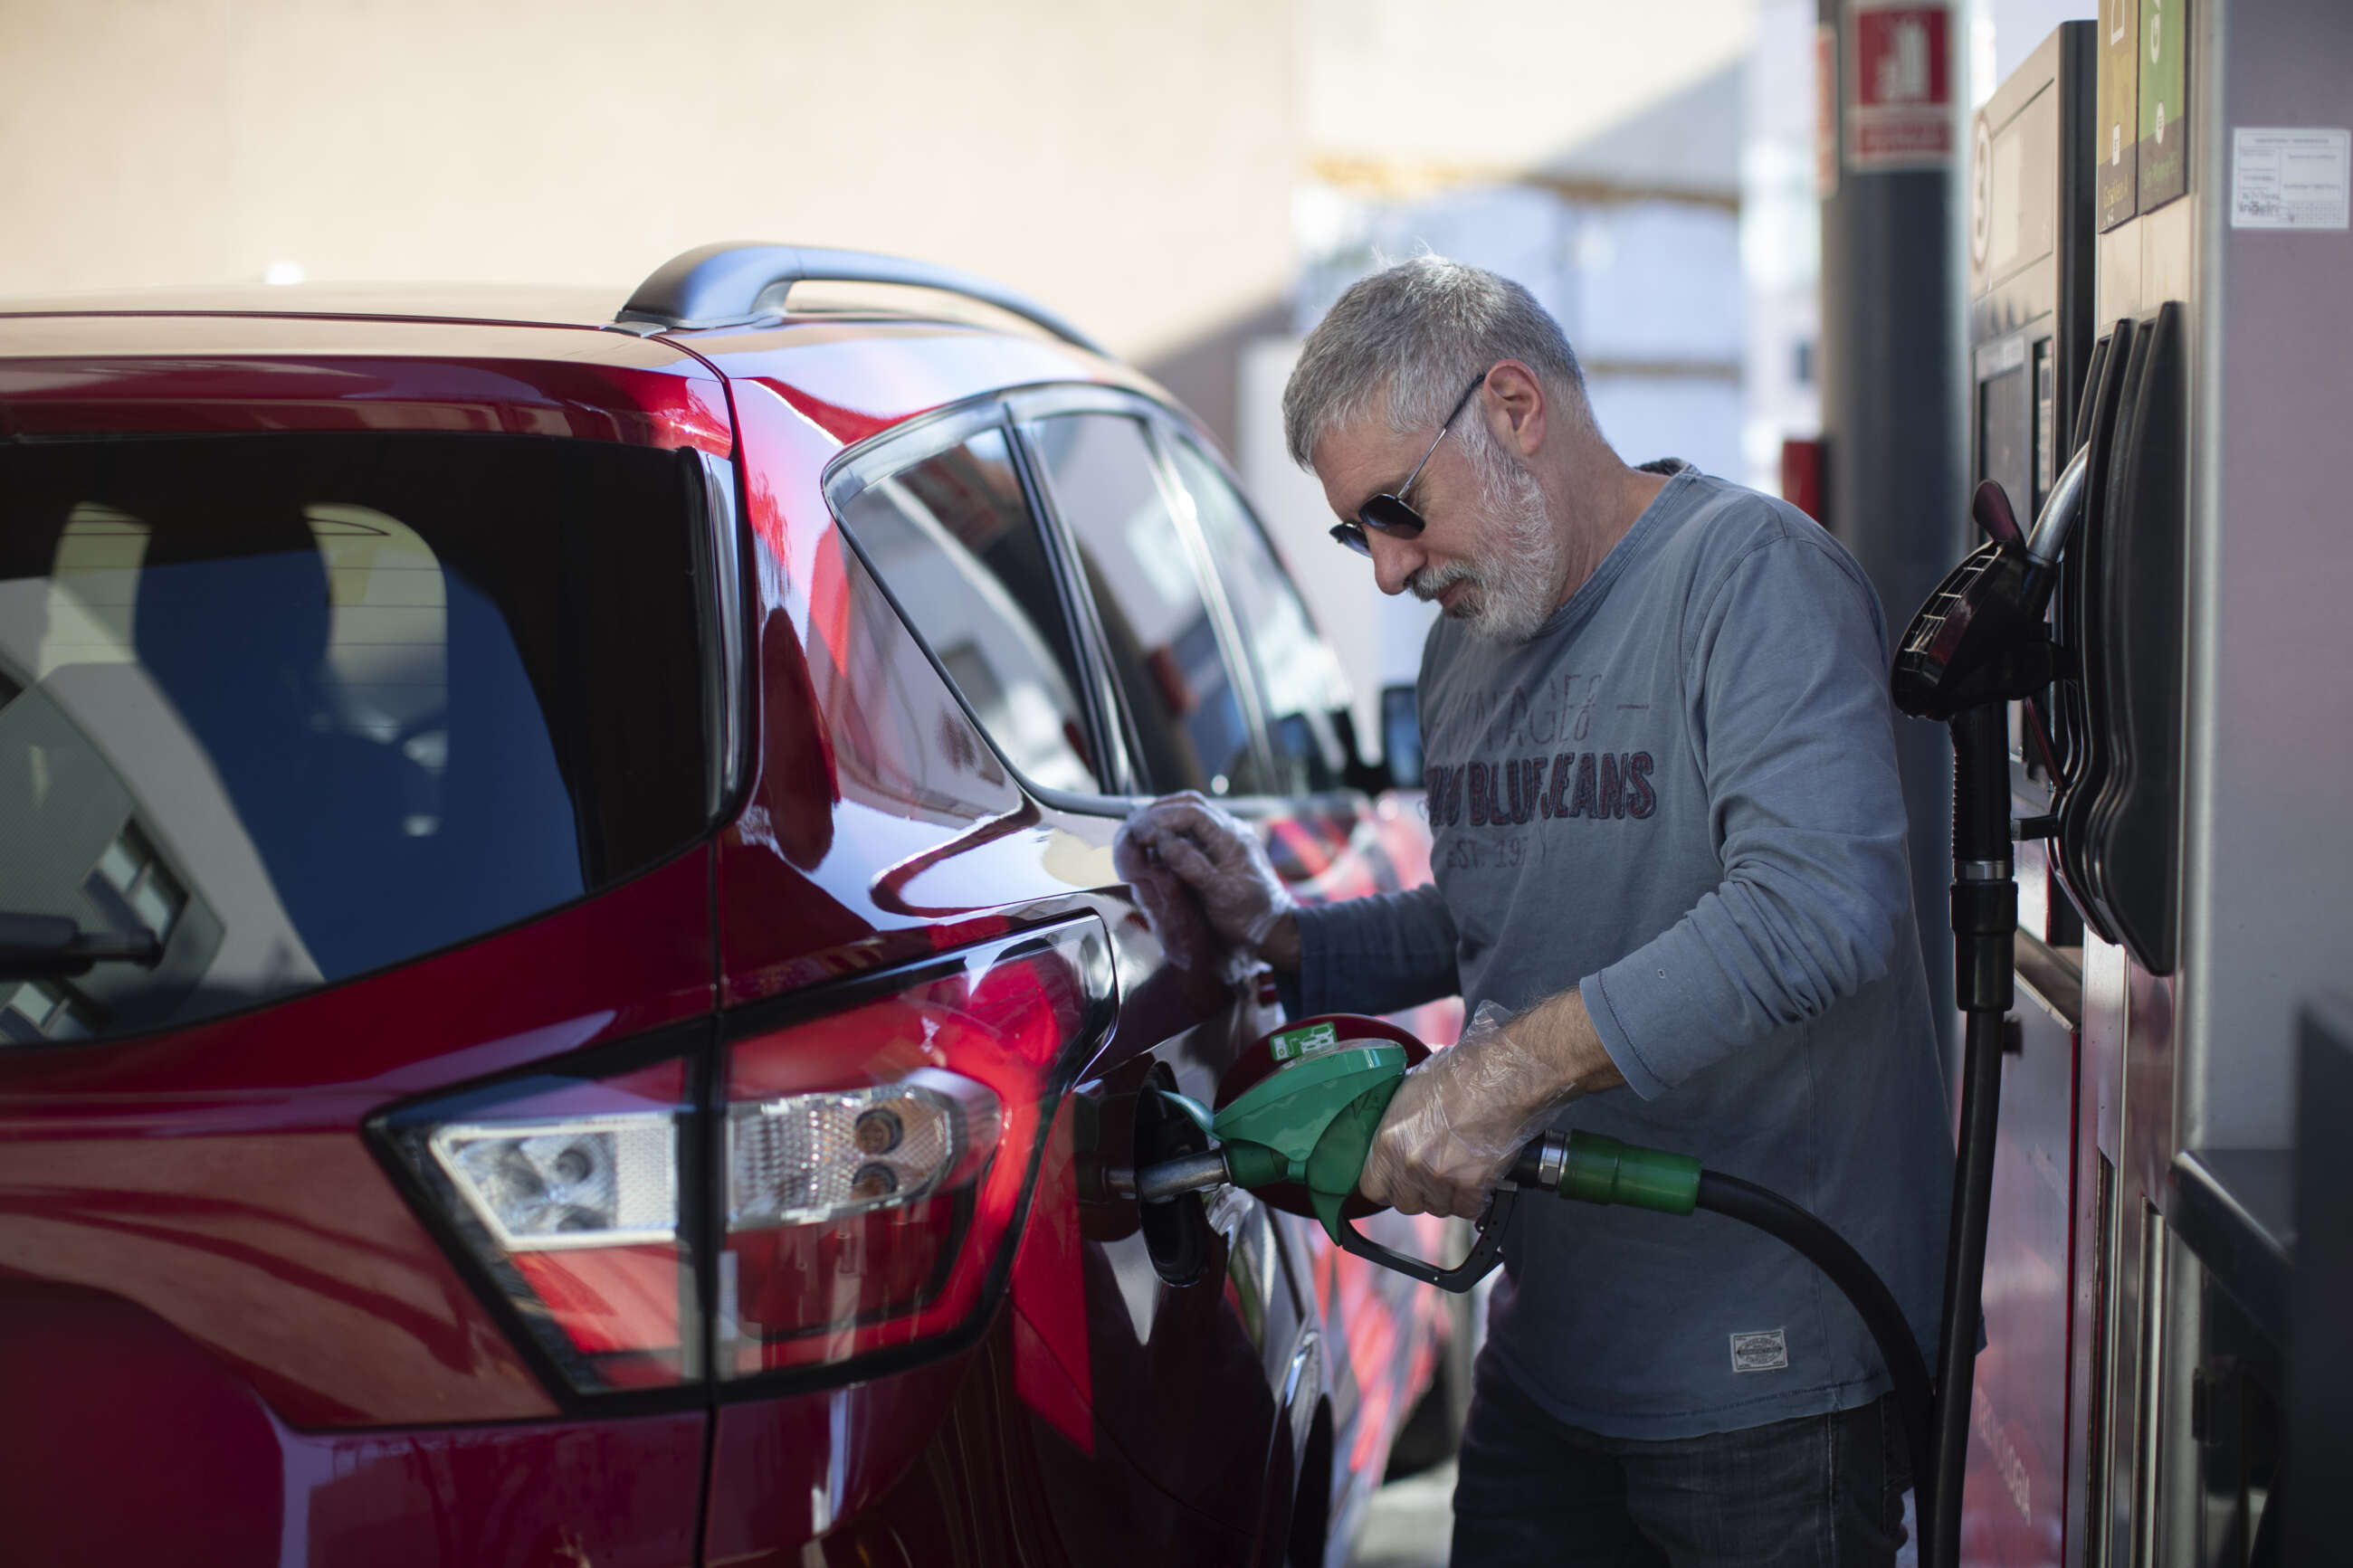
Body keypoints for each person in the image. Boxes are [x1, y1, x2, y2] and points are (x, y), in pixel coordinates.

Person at [1119, 257, 1951, 1567]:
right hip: (1550, 1354)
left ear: (1513, 408)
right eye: (1356, 534)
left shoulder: (1750, 579)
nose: (1387, 571)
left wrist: (1498, 1077)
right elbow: (1497, 915)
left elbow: (1817, 907)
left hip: (1767, 1375)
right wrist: (1283, 933)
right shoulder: (1466, 647)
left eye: (1396, 510)